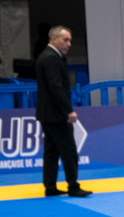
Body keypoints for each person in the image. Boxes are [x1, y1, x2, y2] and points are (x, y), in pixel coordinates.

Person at [35, 26, 91, 198]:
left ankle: (50, 186)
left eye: (70, 40)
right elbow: (56, 86)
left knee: (51, 151)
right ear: (53, 38)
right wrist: (68, 110)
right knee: (69, 151)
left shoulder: (45, 56)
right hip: (56, 113)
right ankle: (73, 186)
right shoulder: (51, 58)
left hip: (47, 113)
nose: (69, 44)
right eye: (65, 40)